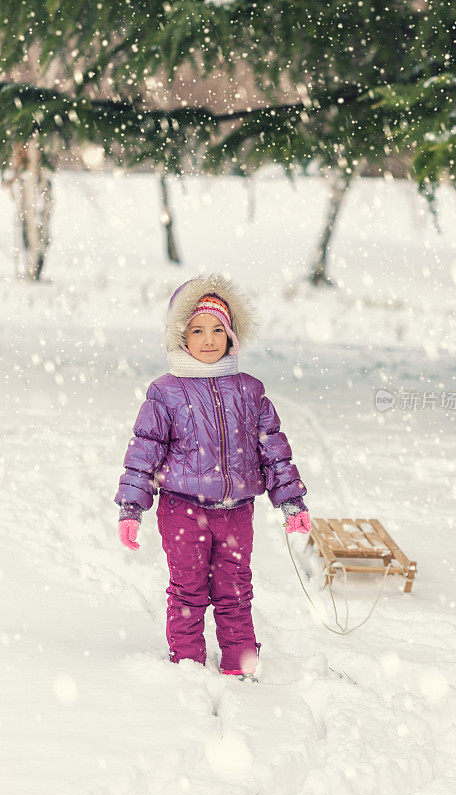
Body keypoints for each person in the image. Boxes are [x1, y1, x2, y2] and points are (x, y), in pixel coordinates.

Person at [115, 273, 311, 678]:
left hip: (237, 512)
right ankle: (188, 665)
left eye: (218, 329)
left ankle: (240, 664)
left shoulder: (250, 390)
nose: (208, 339)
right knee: (188, 590)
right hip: (183, 510)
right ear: (182, 337)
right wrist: (131, 507)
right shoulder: (166, 392)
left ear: (231, 335)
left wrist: (290, 500)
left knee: (236, 590)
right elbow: (143, 451)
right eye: (198, 330)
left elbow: (273, 449)